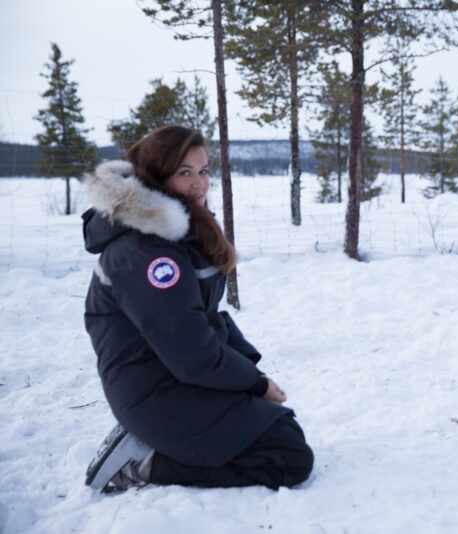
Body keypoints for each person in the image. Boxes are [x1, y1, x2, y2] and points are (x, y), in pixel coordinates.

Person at [82, 125, 313, 492]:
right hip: (154, 391)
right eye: (183, 173)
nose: (199, 184)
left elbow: (204, 317)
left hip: (174, 377)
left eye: (203, 171)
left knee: (278, 426)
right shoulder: (145, 252)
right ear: (155, 177)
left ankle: (163, 446)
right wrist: (254, 383)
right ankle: (143, 464)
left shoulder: (180, 230)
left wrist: (246, 367)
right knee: (289, 456)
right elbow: (190, 351)